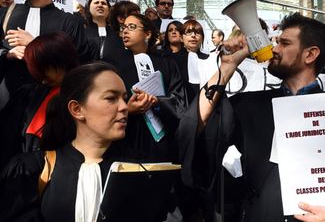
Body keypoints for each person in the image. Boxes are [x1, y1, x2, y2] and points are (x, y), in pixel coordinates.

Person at [177, 12, 325, 221]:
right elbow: (195, 128)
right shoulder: (249, 107)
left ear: (310, 54)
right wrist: (227, 67)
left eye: (284, 43)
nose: (274, 48)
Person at [0, 62, 177, 221]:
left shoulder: (140, 172)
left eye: (123, 98)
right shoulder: (31, 170)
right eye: (111, 98)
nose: (124, 107)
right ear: (77, 109)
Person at [0, 0, 94, 96]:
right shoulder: (5, 14)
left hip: (52, 105)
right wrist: (6, 55)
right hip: (7, 105)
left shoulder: (70, 22)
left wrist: (36, 44)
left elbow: (78, 66)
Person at [0, 32, 78, 171]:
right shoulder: (28, 94)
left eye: (44, 69)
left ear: (60, 61)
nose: (42, 78)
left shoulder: (81, 94)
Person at [115, 13, 186, 161]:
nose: (125, 31)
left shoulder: (167, 64)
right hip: (127, 141)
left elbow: (180, 103)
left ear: (147, 34)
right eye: (124, 27)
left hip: (163, 142)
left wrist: (157, 102)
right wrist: (128, 110)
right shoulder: (115, 66)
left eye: (132, 27)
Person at [84, 0, 124, 64]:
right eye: (96, 3)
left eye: (103, 3)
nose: (100, 5)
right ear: (88, 8)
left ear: (108, 9)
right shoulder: (82, 33)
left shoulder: (117, 34)